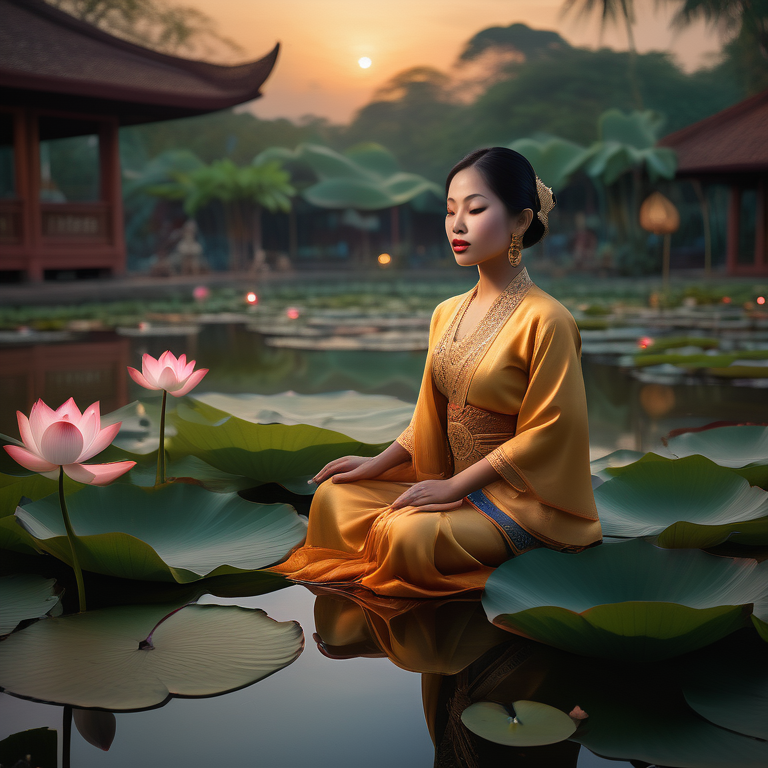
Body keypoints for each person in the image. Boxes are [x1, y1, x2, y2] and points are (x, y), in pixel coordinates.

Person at [271, 147, 601, 598]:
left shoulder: (547, 319)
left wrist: (455, 486)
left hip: (518, 501)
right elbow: (430, 416)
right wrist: (377, 464)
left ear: (521, 221)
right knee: (334, 497)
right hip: (450, 484)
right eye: (450, 212)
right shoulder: (445, 312)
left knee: (406, 537)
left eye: (476, 208)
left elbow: (550, 431)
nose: (457, 225)